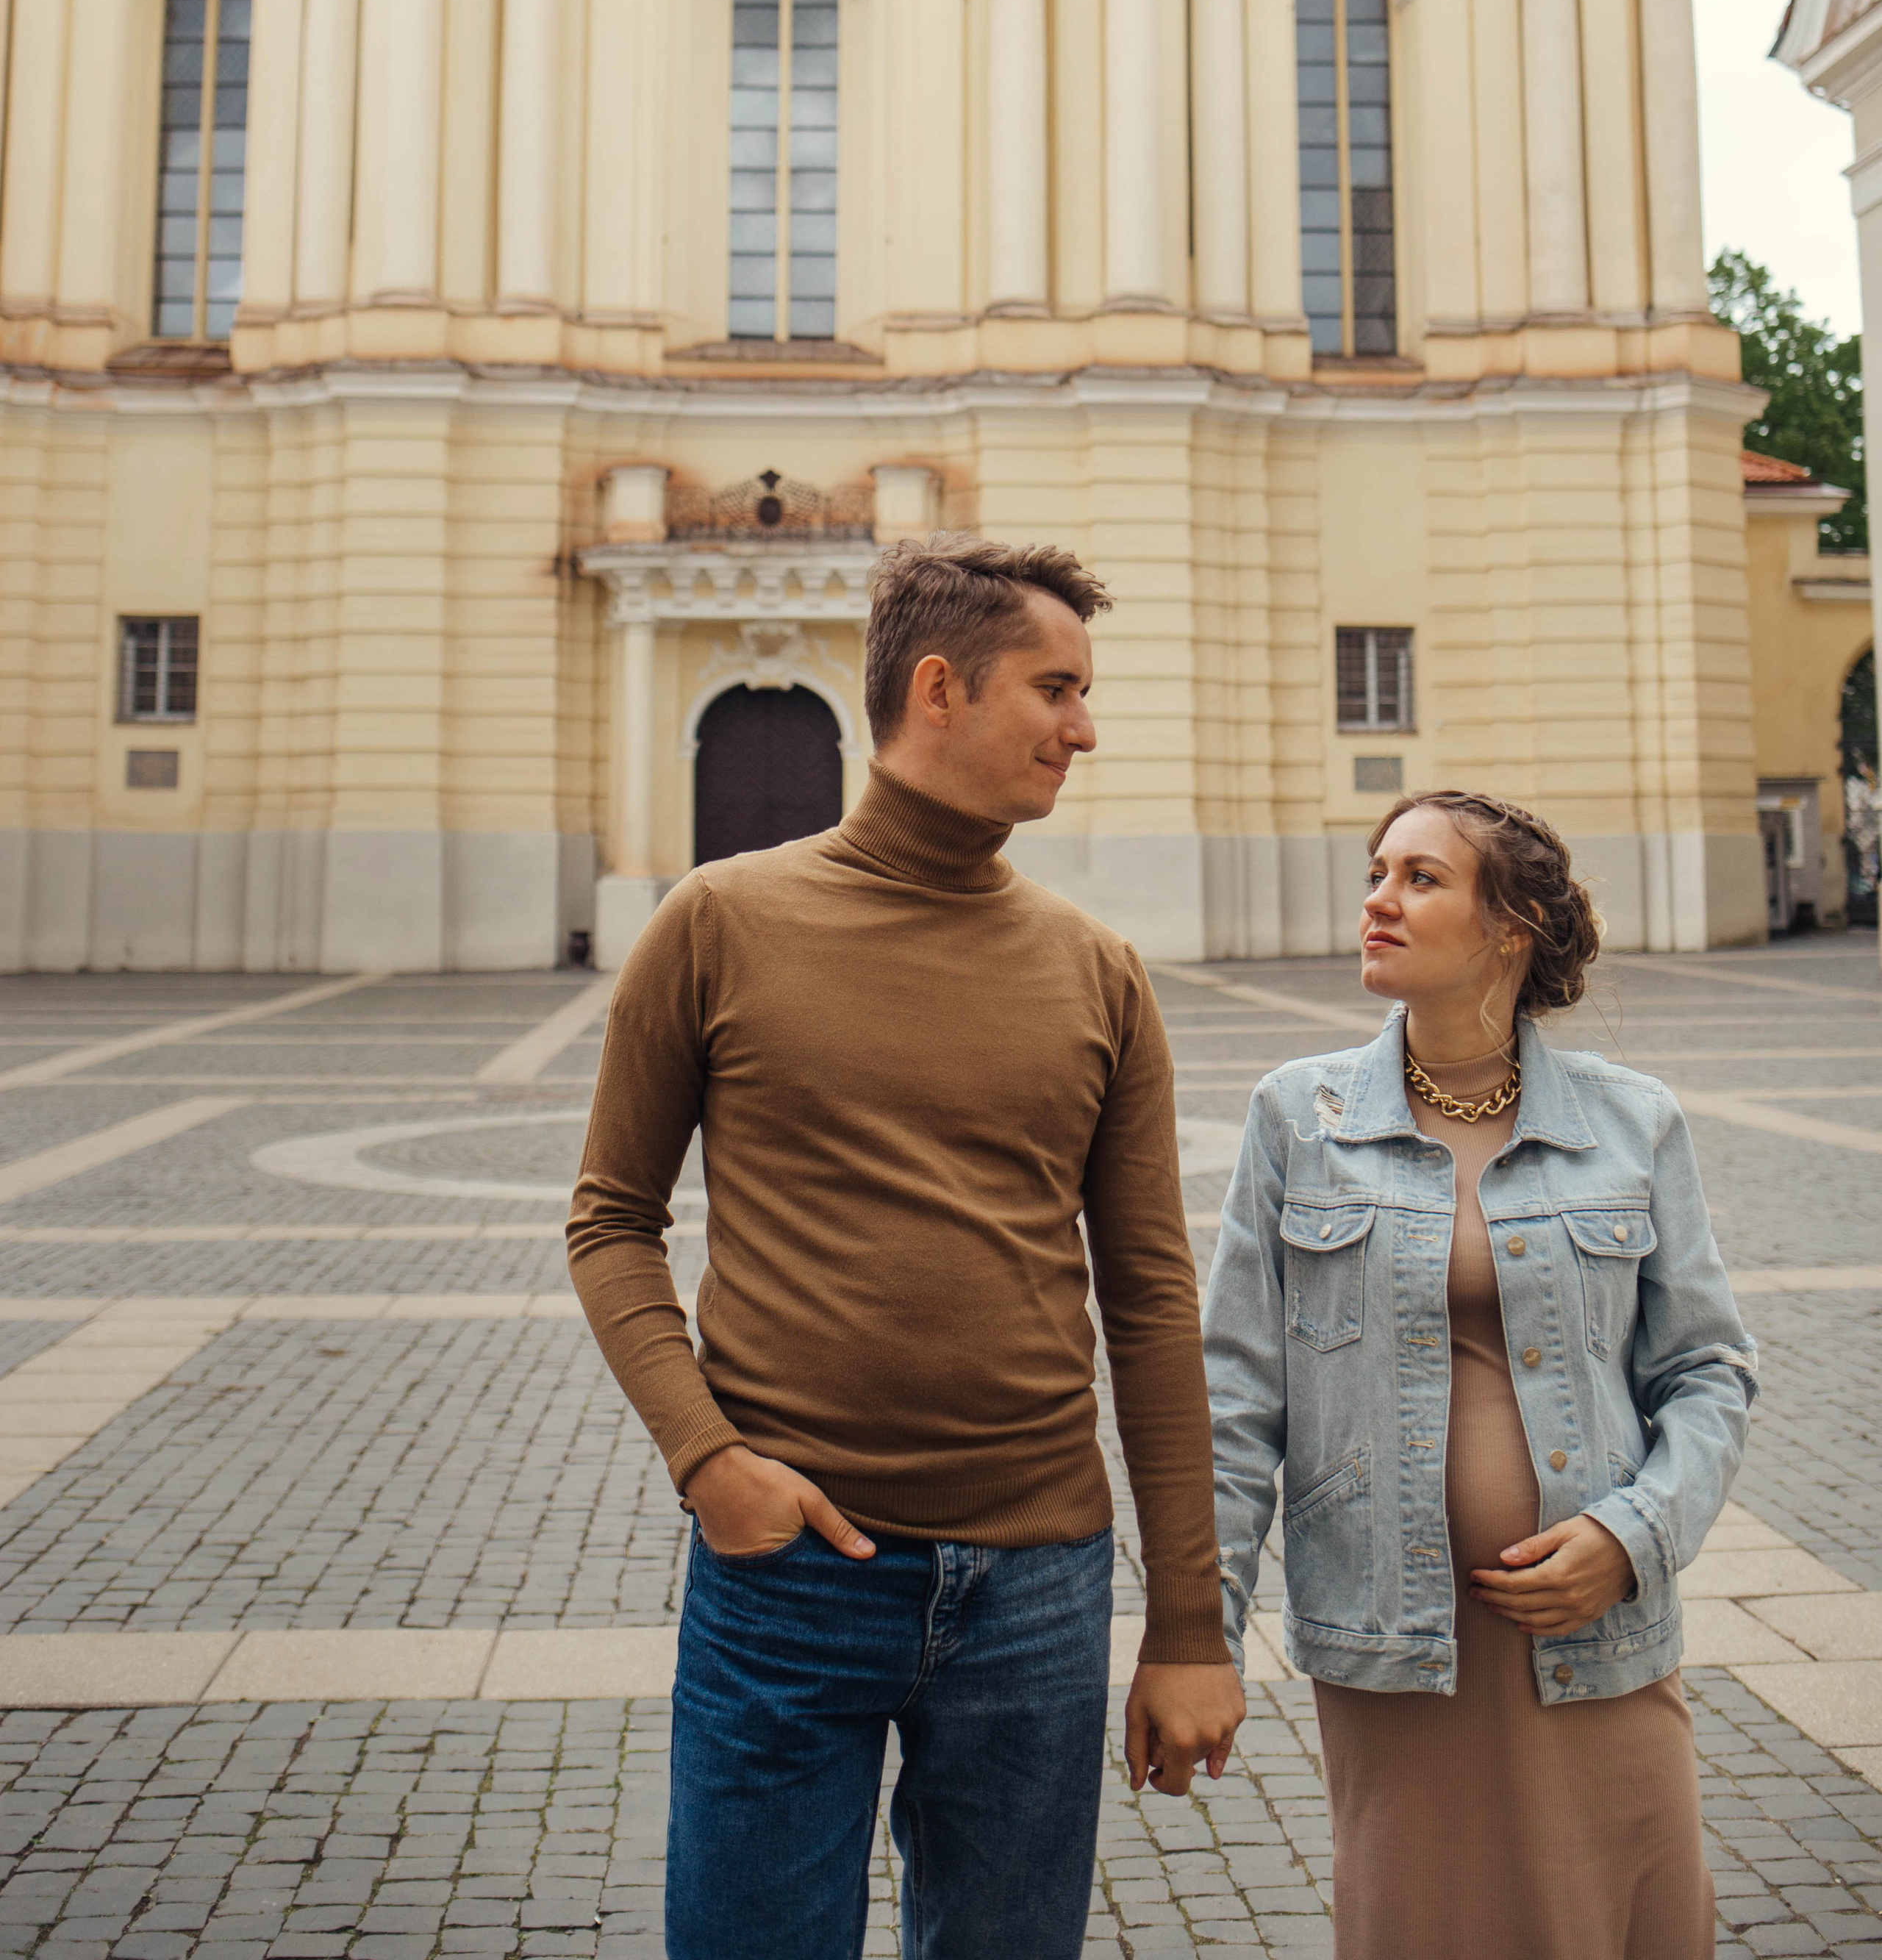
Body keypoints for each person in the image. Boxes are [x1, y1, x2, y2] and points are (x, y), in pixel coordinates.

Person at [568, 537, 1245, 1960]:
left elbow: (1149, 1301)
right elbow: (611, 1222)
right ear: (939, 687)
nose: (1084, 726)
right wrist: (708, 1461)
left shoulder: (1096, 969)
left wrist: (1188, 1625)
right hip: (788, 1572)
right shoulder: (715, 923)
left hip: (1038, 1586)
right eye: (1053, 689)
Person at [1203, 789, 1757, 1960]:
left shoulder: (1631, 1121)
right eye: (1377, 872)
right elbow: (1238, 1399)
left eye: (1420, 878)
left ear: (1512, 927)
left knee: (1621, 1917)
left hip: (1596, 1628)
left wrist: (1633, 1537)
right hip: (1398, 1641)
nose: (1378, 901)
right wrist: (1200, 1630)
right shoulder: (1301, 1117)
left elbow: (1707, 1370)